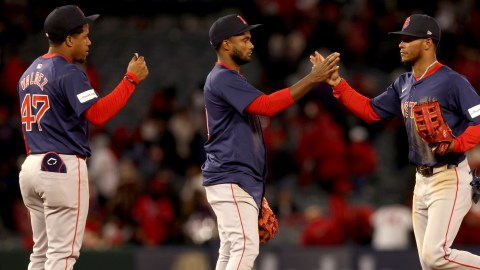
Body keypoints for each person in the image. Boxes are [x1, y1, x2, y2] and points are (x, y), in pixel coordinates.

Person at [326, 14, 480, 269]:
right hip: (420, 182)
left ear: (429, 43)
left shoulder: (453, 82)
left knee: (435, 256)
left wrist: (456, 144)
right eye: (401, 39)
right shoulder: (404, 83)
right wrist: (338, 84)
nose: (401, 44)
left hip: (449, 177)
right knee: (429, 264)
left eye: (409, 39)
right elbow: (370, 111)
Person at [201, 14, 340, 270]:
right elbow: (267, 106)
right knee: (245, 246)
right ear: (226, 44)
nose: (251, 44)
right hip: (231, 175)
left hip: (233, 177)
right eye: (244, 39)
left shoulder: (228, 79)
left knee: (231, 248)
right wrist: (312, 78)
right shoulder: (222, 77)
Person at [17, 5, 148, 270]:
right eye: (84, 36)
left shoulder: (29, 72)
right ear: (68, 39)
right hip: (61, 166)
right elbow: (97, 114)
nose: (89, 42)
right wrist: (130, 80)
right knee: (62, 257)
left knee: (40, 255)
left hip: (31, 165)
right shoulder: (68, 71)